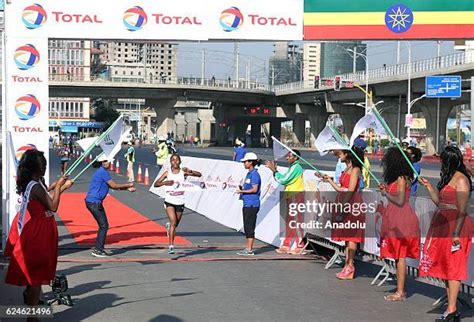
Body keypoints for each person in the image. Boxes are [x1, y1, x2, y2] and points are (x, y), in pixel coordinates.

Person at [5, 149, 73, 310]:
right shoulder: (35, 186)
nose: (44, 168)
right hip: (39, 232)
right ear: (37, 168)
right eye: (42, 166)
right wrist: (59, 188)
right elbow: (53, 206)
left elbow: (44, 196)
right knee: (36, 276)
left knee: (35, 272)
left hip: (38, 228)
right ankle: (32, 314)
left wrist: (59, 187)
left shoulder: (32, 183)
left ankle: (31, 301)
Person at [419, 146, 472, 321]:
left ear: (449, 160)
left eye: (443, 160)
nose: (441, 162)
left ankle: (451, 309)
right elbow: (439, 203)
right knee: (446, 267)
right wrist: (428, 187)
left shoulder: (461, 180)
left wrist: (456, 233)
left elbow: (462, 210)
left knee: (453, 267)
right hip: (444, 226)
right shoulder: (449, 178)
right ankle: (452, 308)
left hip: (456, 228)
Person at [378, 147, 420, 301]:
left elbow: (401, 201)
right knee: (397, 255)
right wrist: (386, 190)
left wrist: (386, 194)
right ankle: (400, 289)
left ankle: (400, 292)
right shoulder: (398, 177)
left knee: (400, 256)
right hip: (394, 216)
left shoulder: (402, 178)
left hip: (401, 217)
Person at [318, 147, 366, 280]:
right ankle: (347, 264)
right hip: (344, 202)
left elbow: (350, 191)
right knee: (346, 237)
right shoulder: (346, 169)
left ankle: (350, 266)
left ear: (348, 155)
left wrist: (342, 207)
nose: (340, 155)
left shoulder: (355, 170)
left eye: (342, 154)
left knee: (351, 238)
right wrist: (329, 180)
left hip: (351, 205)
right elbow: (341, 188)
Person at [85, 155, 136, 257]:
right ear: (104, 162)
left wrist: (126, 189)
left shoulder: (102, 172)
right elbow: (114, 185)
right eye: (109, 162)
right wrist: (128, 185)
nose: (110, 164)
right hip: (94, 202)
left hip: (93, 201)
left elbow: (113, 186)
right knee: (104, 225)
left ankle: (98, 248)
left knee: (103, 225)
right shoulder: (102, 172)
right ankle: (98, 249)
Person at [154, 153, 202, 254]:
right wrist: (164, 183)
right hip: (169, 201)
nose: (175, 162)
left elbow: (199, 175)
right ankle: (171, 245)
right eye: (173, 160)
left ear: (180, 161)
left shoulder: (183, 172)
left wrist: (190, 171)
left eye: (177, 160)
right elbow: (156, 184)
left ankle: (169, 227)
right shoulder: (167, 173)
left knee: (175, 224)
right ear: (170, 162)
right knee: (173, 222)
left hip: (180, 201)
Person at [266, 150, 305, 254]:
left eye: (289, 155)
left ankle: (300, 245)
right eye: (287, 155)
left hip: (296, 196)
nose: (287, 157)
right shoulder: (292, 167)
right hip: (290, 196)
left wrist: (274, 171)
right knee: (289, 221)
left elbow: (284, 180)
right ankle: (286, 244)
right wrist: (275, 171)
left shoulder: (296, 168)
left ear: (296, 158)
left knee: (295, 221)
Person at [236, 152, 261, 256]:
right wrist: (242, 189)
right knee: (247, 226)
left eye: (245, 161)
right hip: (247, 203)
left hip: (252, 204)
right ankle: (247, 247)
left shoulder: (255, 174)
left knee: (250, 226)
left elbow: (254, 189)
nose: (244, 163)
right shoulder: (249, 174)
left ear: (250, 162)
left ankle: (249, 249)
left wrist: (242, 192)